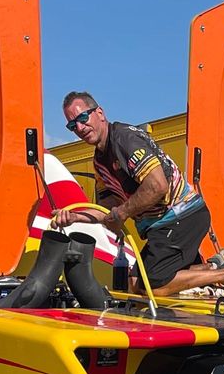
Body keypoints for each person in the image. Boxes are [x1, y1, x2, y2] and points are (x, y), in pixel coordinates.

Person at [53, 93, 212, 294]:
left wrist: (122, 213)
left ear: (100, 113)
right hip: (164, 226)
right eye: (72, 125)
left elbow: (157, 186)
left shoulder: (124, 139)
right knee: (135, 283)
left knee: (150, 286)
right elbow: (107, 209)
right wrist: (74, 217)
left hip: (183, 216)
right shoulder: (100, 162)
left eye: (83, 118)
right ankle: (213, 267)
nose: (79, 127)